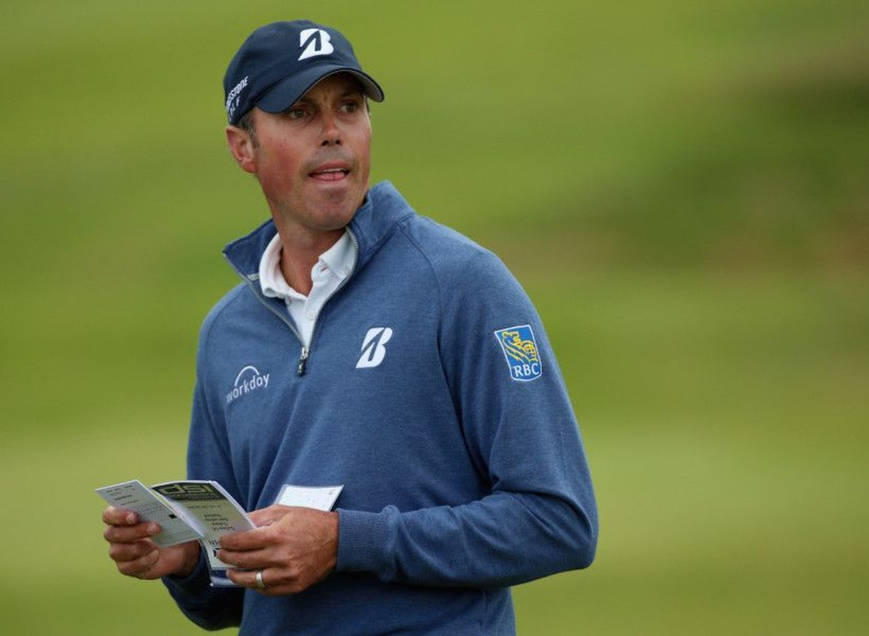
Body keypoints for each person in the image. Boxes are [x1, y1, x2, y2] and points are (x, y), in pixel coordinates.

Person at [102, 19, 598, 635]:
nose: (333, 131)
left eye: (349, 107)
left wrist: (345, 541)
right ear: (243, 147)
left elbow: (558, 523)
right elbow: (230, 592)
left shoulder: (462, 283)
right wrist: (185, 562)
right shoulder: (227, 332)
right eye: (299, 112)